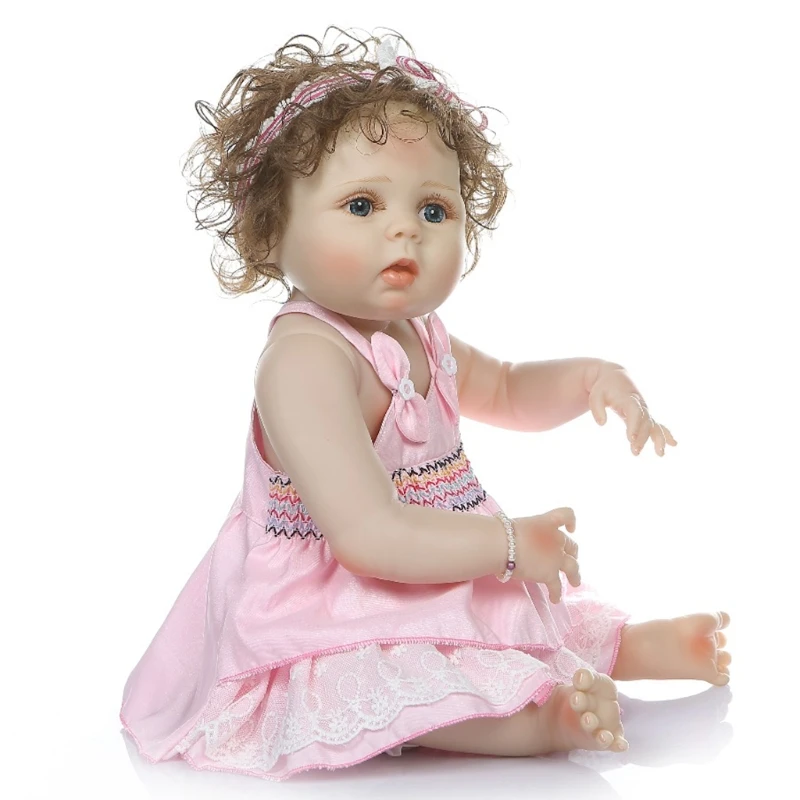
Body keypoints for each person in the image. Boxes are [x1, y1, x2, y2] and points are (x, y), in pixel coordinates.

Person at [119, 28, 731, 782]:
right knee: (393, 675)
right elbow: (367, 536)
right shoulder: (304, 362)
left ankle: (629, 647)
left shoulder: (419, 333)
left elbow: (505, 388)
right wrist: (508, 546)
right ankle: (537, 720)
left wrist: (590, 379)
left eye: (434, 210)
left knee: (504, 613)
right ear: (270, 230)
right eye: (362, 203)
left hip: (433, 558)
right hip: (331, 602)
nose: (405, 228)